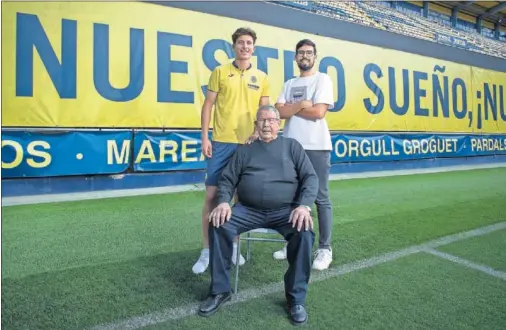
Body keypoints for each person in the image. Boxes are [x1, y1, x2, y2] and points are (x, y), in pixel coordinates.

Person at [198, 105, 318, 325]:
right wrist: (224, 202)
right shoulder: (245, 150)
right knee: (219, 223)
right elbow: (227, 179)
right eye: (262, 121)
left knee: (305, 232)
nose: (266, 124)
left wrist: (303, 206)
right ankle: (220, 291)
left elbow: (310, 178)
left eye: (271, 120)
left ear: (278, 123)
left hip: (286, 211)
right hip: (247, 211)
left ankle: (295, 299)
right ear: (255, 125)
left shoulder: (292, 147)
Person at [192, 27, 271, 275]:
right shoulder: (219, 72)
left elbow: (265, 112)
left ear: (253, 48)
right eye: (240, 42)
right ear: (234, 46)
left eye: (249, 43)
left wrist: (258, 133)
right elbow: (208, 105)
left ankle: (234, 247)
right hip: (221, 143)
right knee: (212, 197)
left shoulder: (262, 77)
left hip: (248, 145)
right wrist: (205, 137)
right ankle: (206, 251)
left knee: (239, 198)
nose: (245, 46)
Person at [273, 39, 335, 271]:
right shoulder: (289, 83)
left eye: (309, 53)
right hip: (290, 146)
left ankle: (325, 248)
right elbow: (280, 111)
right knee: (292, 196)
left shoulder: (323, 79)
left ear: (315, 56)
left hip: (316, 146)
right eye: (301, 53)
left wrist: (293, 106)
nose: (305, 56)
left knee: (320, 197)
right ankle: (292, 242)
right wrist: (301, 105)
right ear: (295, 57)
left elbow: (319, 112)